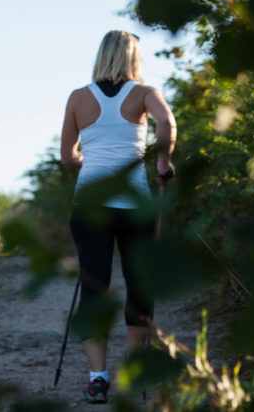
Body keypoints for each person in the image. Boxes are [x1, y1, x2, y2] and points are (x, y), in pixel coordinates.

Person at [59, 30, 176, 404]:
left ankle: (97, 378)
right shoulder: (144, 94)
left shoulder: (79, 98)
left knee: (95, 286)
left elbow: (67, 156)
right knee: (139, 284)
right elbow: (167, 125)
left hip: (91, 206)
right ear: (133, 57)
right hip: (134, 206)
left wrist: (89, 161)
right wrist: (162, 162)